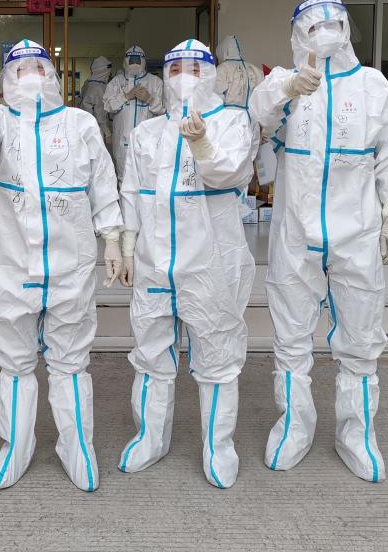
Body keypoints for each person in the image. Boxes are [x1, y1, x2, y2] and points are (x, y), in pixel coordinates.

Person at [249, 0, 388, 483]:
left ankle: (356, 434)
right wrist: (287, 88)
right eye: (312, 26)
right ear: (297, 34)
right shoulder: (284, 84)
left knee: (361, 339)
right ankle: (293, 427)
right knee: (291, 338)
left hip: (355, 232)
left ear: (346, 29)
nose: (323, 33)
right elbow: (256, 118)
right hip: (296, 234)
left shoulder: (373, 86)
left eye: (333, 24)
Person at [0, 39, 123, 492]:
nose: (31, 76)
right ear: (6, 80)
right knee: (15, 363)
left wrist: (113, 238)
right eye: (20, 69)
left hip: (71, 264)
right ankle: (16, 446)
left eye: (39, 67)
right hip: (13, 263)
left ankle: (77, 446)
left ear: (52, 75)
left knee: (70, 362)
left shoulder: (80, 123)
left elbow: (102, 181)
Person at [117, 39, 256, 488]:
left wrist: (202, 144)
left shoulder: (233, 121)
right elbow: (132, 190)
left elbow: (232, 172)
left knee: (217, 354)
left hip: (211, 261)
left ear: (212, 73)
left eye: (195, 69)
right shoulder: (148, 132)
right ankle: (150, 438)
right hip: (155, 261)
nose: (184, 78)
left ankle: (218, 447)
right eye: (175, 69)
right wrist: (126, 245)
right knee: (151, 352)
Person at [103, 46, 164, 180]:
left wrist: (149, 99)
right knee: (123, 178)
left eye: (138, 60)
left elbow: (165, 111)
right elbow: (108, 106)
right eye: (131, 60)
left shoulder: (156, 83)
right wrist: (126, 97)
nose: (134, 63)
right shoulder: (116, 82)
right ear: (125, 61)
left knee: (148, 179)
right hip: (123, 140)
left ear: (144, 61)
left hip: (149, 140)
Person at [215, 34, 264, 110]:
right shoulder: (255, 69)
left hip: (228, 115)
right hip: (251, 115)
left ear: (222, 50)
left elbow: (215, 96)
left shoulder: (222, 69)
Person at [80, 56, 112, 145]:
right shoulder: (99, 87)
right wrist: (107, 133)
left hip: (85, 126)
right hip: (95, 128)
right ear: (103, 71)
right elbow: (99, 113)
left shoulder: (87, 83)